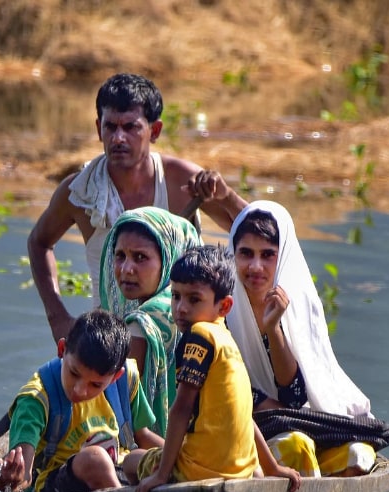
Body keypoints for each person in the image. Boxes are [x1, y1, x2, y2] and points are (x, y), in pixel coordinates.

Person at [27, 72, 247, 343]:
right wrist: (58, 318)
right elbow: (38, 243)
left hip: (184, 340)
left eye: (131, 127)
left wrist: (226, 197)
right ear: (99, 129)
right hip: (112, 344)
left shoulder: (180, 180)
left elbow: (253, 231)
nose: (118, 138)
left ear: (154, 131)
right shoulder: (82, 192)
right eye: (110, 127)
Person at [135, 246, 301, 492]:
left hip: (197, 471)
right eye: (176, 296)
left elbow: (181, 408)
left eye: (194, 299)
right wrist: (273, 468)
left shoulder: (199, 335)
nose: (180, 308)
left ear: (224, 305)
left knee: (133, 459)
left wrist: (161, 475)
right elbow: (245, 418)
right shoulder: (227, 341)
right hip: (242, 472)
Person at [225, 200, 378, 477]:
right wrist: (267, 406)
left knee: (359, 453)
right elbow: (224, 381)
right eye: (246, 253)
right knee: (297, 447)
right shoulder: (222, 305)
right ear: (232, 254)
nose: (256, 266)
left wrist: (273, 329)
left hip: (302, 421)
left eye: (268, 255)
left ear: (282, 257)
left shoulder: (299, 304)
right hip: (244, 430)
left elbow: (295, 398)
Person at [0, 309, 164, 492]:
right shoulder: (36, 399)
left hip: (117, 470)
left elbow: (143, 435)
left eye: (95, 385)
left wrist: (178, 456)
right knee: (96, 460)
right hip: (61, 481)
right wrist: (10, 479)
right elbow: (24, 477)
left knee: (146, 458)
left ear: (116, 377)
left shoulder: (127, 379)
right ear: (62, 350)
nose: (79, 390)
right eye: (74, 373)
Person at [98, 206, 202, 434]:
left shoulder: (142, 325)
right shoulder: (200, 306)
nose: (126, 268)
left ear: (169, 259)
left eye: (140, 257)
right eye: (120, 256)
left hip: (154, 449)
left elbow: (118, 411)